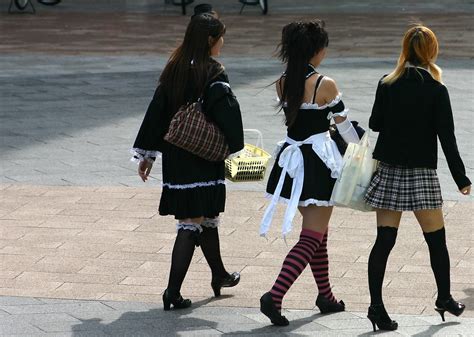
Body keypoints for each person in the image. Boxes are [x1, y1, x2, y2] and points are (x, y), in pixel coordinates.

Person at [131, 13, 244, 311]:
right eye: (221, 36)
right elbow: (228, 112)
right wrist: (236, 146)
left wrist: (147, 155)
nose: (223, 41)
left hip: (177, 156)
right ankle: (172, 292)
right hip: (204, 156)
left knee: (203, 215)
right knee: (191, 222)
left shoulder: (175, 67)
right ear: (210, 40)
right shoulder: (214, 72)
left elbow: (157, 110)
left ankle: (219, 274)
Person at [364, 25, 471, 331]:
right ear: (431, 52)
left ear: (406, 50)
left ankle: (376, 307)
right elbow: (447, 138)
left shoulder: (386, 83)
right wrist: (461, 178)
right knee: (436, 241)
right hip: (422, 174)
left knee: (384, 240)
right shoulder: (437, 90)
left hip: (389, 171)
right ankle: (445, 298)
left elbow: (375, 123)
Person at [259, 20, 360, 326]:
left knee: (318, 234)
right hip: (317, 164)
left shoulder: (283, 81)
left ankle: (326, 295)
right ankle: (274, 295)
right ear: (317, 50)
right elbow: (344, 128)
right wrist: (363, 150)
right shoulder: (323, 83)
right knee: (312, 236)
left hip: (292, 163)